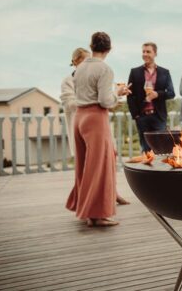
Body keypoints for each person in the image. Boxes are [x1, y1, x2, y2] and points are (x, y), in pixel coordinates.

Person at [66, 32, 131, 227]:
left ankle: (84, 207)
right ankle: (97, 215)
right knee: (100, 165)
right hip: (95, 119)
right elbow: (104, 101)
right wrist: (118, 94)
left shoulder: (79, 69)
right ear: (109, 49)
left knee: (84, 165)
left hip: (79, 117)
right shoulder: (104, 69)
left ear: (91, 45)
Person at [127, 42, 175, 152]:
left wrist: (157, 94)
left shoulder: (164, 72)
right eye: (143, 51)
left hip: (159, 117)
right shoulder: (135, 72)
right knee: (145, 150)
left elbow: (171, 93)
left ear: (155, 53)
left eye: (148, 51)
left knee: (161, 149)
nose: (145, 54)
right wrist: (136, 116)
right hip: (142, 117)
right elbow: (130, 95)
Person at [60, 48, 90, 156]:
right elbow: (70, 104)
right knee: (82, 160)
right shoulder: (67, 81)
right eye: (86, 61)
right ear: (75, 61)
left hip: (93, 125)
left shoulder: (92, 79)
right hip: (78, 126)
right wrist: (91, 100)